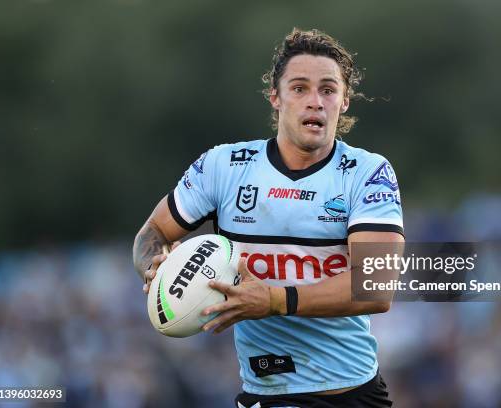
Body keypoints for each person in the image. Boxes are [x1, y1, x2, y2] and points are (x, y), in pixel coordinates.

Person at [133, 28, 404, 408]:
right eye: (299, 88)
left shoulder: (367, 172)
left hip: (348, 395)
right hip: (264, 394)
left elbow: (376, 285)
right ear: (275, 97)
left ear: (344, 102)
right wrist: (153, 265)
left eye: (328, 89)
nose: (315, 101)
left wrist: (275, 299)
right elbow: (155, 231)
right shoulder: (224, 166)